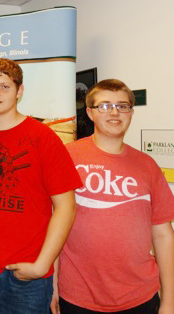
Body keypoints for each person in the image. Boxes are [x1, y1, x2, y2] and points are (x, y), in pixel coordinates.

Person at [0, 58, 82, 313]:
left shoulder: (44, 138)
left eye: (5, 86)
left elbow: (66, 207)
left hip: (25, 277)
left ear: (19, 91)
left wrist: (42, 265)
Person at [54, 79, 174, 314]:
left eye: (123, 106)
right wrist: (51, 284)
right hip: (77, 296)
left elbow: (163, 235)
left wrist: (169, 300)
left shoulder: (147, 165)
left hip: (140, 296)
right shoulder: (66, 157)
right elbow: (52, 226)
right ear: (90, 113)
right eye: (105, 106)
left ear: (131, 112)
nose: (115, 112)